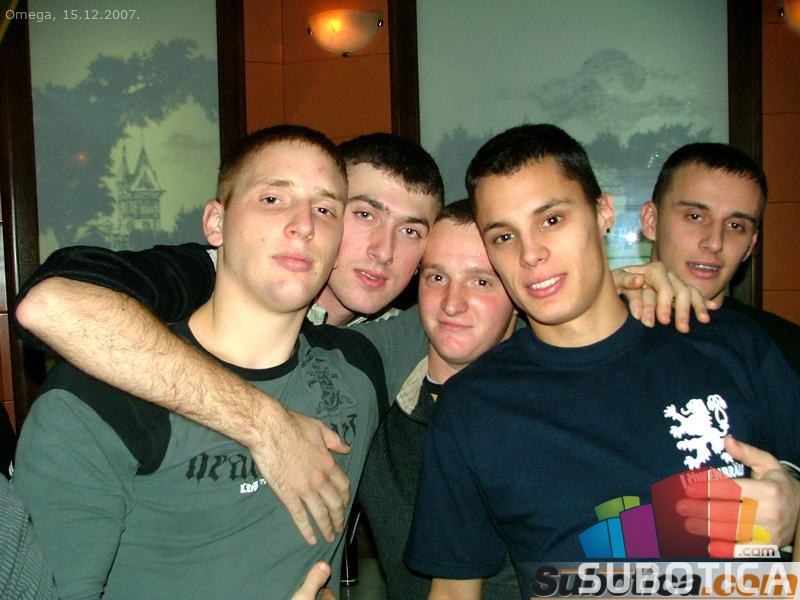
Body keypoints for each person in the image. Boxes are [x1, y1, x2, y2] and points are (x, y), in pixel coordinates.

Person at [403, 124, 800, 600]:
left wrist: (795, 509)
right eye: (505, 235)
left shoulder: (732, 346)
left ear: (603, 212)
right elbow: (453, 591)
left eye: (552, 219)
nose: (531, 254)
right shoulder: (473, 407)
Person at [11, 125, 392, 599]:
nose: (304, 225)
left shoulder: (356, 368)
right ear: (215, 223)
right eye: (273, 199)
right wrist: (266, 424)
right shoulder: (99, 395)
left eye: (325, 209)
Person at [358, 199, 519, 599]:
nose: (452, 303)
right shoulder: (377, 404)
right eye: (436, 277)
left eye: (481, 282)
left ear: (518, 294)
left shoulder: (559, 404)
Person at [640, 142, 800, 375]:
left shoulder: (783, 350)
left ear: (750, 245)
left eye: (735, 226)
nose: (715, 243)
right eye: (695, 216)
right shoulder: (599, 330)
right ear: (651, 221)